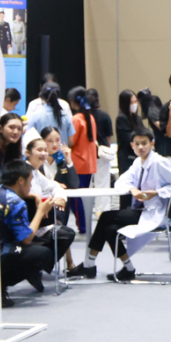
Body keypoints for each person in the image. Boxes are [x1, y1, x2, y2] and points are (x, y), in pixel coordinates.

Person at [75, 126, 171, 281]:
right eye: (137, 144)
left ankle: (89, 265)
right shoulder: (137, 163)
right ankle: (128, 268)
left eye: (144, 143)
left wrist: (157, 192)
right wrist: (132, 189)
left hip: (155, 212)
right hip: (142, 210)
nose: (140, 147)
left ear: (152, 144)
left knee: (106, 217)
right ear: (132, 145)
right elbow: (120, 182)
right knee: (109, 229)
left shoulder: (159, 162)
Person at [0, 160, 54, 304]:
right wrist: (41, 211)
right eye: (30, 181)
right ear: (21, 181)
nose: (31, 185)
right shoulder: (16, 202)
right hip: (1, 252)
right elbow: (27, 239)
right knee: (43, 253)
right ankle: (1, 284)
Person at [22, 136, 79, 274]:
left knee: (63, 229)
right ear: (28, 152)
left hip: (42, 217)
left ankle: (37, 267)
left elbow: (56, 186)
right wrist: (48, 200)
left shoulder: (37, 171)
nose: (43, 153)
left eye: (45, 150)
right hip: (28, 221)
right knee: (64, 233)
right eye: (39, 150)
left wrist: (60, 198)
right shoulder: (23, 171)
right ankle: (34, 266)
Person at [67, 86, 101, 233]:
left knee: (75, 198)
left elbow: (71, 141)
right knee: (82, 196)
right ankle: (85, 224)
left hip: (78, 163)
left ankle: (83, 226)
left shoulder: (76, 119)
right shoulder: (90, 117)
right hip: (89, 163)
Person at [116, 89, 140, 174]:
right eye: (131, 102)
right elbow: (127, 139)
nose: (134, 104)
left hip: (137, 156)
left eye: (136, 101)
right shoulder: (121, 118)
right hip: (127, 158)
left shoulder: (137, 118)